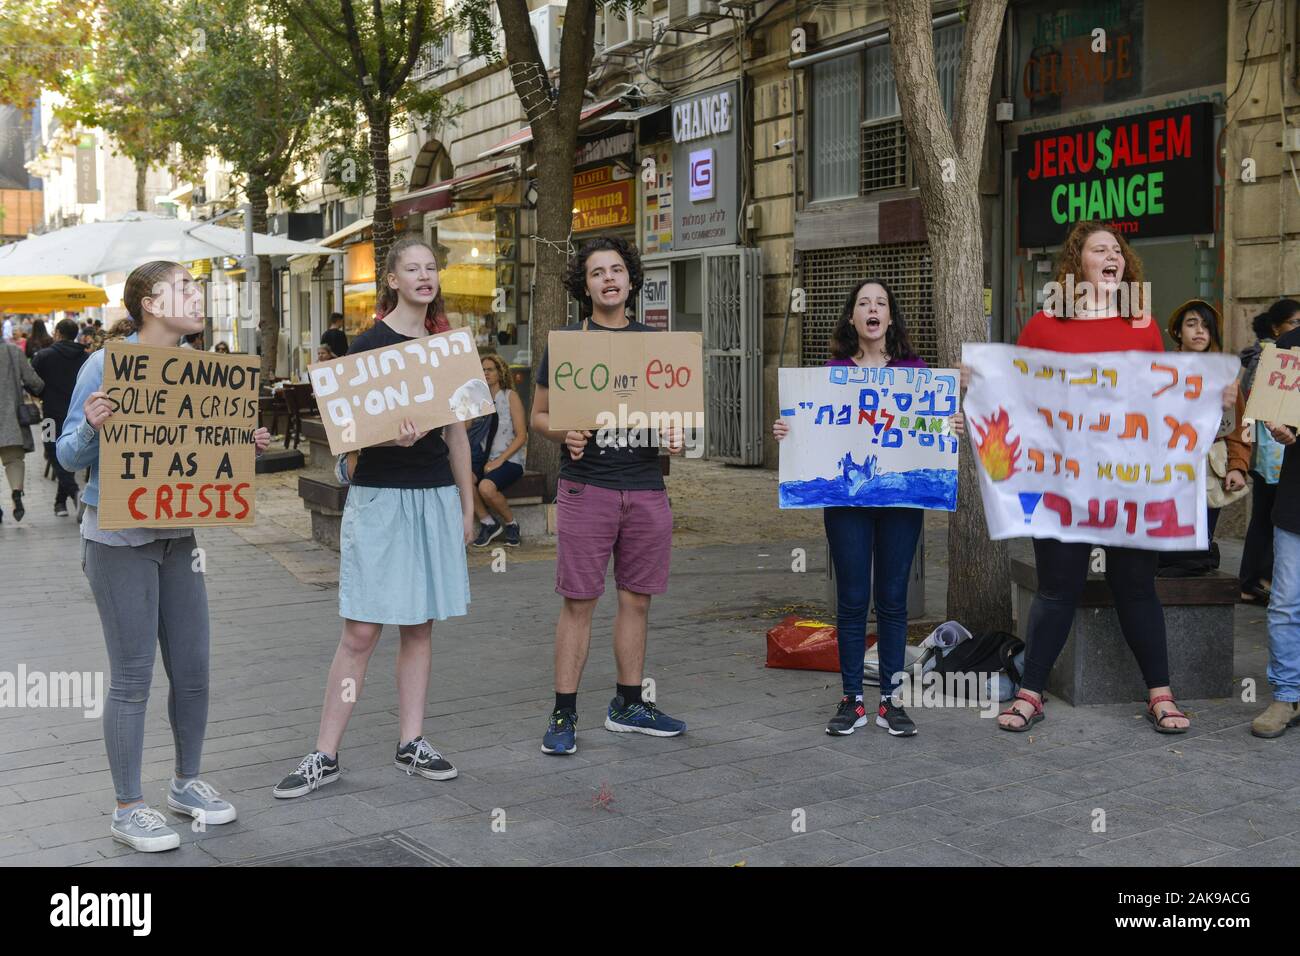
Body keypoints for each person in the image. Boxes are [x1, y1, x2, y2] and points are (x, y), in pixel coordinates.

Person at [955, 221, 1235, 735]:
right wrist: (978, 387)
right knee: (1058, 589)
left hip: (1129, 482)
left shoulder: (1142, 325)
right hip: (1063, 485)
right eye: (1099, 248)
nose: (1113, 256)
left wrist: (1208, 400)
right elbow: (1017, 399)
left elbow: (1158, 401)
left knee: (1136, 587)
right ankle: (1031, 694)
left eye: (1118, 250)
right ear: (1076, 263)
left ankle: (1161, 694)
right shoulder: (1043, 326)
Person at [57, 260, 272, 852]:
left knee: (194, 668)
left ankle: (186, 782)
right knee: (132, 677)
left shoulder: (202, 370)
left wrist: (238, 442)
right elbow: (68, 455)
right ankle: (128, 806)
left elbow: (192, 446)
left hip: (180, 538)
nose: (197, 298)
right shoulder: (104, 364)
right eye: (185, 289)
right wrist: (94, 426)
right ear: (150, 303)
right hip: (118, 539)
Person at [273, 236, 474, 798]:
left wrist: (468, 504)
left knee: (419, 624)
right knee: (361, 630)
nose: (424, 275)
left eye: (431, 267)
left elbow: (458, 433)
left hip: (434, 496)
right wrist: (388, 435)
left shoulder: (447, 344)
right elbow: (348, 449)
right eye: (412, 268)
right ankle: (324, 753)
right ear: (392, 280)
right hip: (381, 495)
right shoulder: (367, 347)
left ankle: (412, 742)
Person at [530, 235, 686, 756]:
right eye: (598, 272)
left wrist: (677, 438)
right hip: (587, 486)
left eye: (617, 269)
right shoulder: (569, 344)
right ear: (586, 285)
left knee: (636, 600)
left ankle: (628, 705)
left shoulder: (655, 345)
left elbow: (674, 423)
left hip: (645, 487)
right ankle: (563, 712)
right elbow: (539, 416)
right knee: (579, 601)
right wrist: (563, 433)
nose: (609, 279)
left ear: (631, 278)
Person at [772, 278, 927, 736]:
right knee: (853, 599)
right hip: (847, 504)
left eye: (881, 302)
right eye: (864, 303)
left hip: (900, 503)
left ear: (890, 317)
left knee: (894, 601)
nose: (873, 309)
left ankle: (892, 702)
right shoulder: (831, 373)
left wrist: (948, 422)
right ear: (853, 319)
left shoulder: (915, 372)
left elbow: (926, 425)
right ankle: (853, 699)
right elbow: (815, 428)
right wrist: (789, 430)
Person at [1156, 300, 1250, 577]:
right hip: (1166, 470)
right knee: (1163, 546)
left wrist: (1237, 466)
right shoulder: (1161, 371)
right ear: (1177, 331)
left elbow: (1240, 427)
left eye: (1206, 326)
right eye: (1192, 323)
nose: (1200, 331)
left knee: (1197, 548)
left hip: (1207, 471)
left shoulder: (1225, 376)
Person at [1253, 313, 1300, 736]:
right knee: (1286, 602)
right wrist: (1278, 426)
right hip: (1296, 503)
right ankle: (1286, 696)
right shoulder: (1287, 349)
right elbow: (1271, 410)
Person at [1238, 299, 1300, 603]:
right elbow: (1257, 406)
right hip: (1274, 461)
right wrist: (1278, 426)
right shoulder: (1278, 353)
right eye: (1293, 321)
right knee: (1266, 517)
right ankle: (1254, 578)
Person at [31, 318, 88, 516]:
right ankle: (60, 503)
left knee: (51, 449)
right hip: (79, 415)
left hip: (50, 414)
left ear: (57, 333)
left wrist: (42, 394)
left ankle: (73, 491)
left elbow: (32, 383)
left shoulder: (43, 356)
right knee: (69, 451)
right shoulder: (86, 357)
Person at [471, 352, 527, 548]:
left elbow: (522, 435)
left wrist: (500, 460)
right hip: (483, 458)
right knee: (464, 480)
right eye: (483, 370)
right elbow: (467, 428)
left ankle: (512, 524)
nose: (486, 373)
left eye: (490, 369)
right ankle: (489, 523)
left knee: (485, 487)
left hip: (509, 460)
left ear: (500, 372)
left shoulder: (510, 397)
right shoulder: (479, 400)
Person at [0, 334, 43, 522]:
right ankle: (16, 492)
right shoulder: (13, 352)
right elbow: (34, 382)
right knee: (13, 460)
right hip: (10, 420)